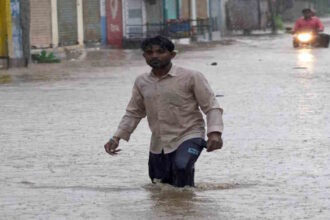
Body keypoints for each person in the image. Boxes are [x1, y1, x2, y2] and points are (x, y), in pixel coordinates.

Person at [104, 35, 224, 188]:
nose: (155, 56)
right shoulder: (142, 82)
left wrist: (215, 133)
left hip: (190, 135)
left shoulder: (191, 77)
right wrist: (116, 138)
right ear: (144, 56)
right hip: (159, 142)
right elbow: (134, 112)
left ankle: (189, 207)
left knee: (181, 167)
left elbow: (211, 105)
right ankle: (179, 206)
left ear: (172, 55)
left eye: (160, 52)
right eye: (150, 52)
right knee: (159, 185)